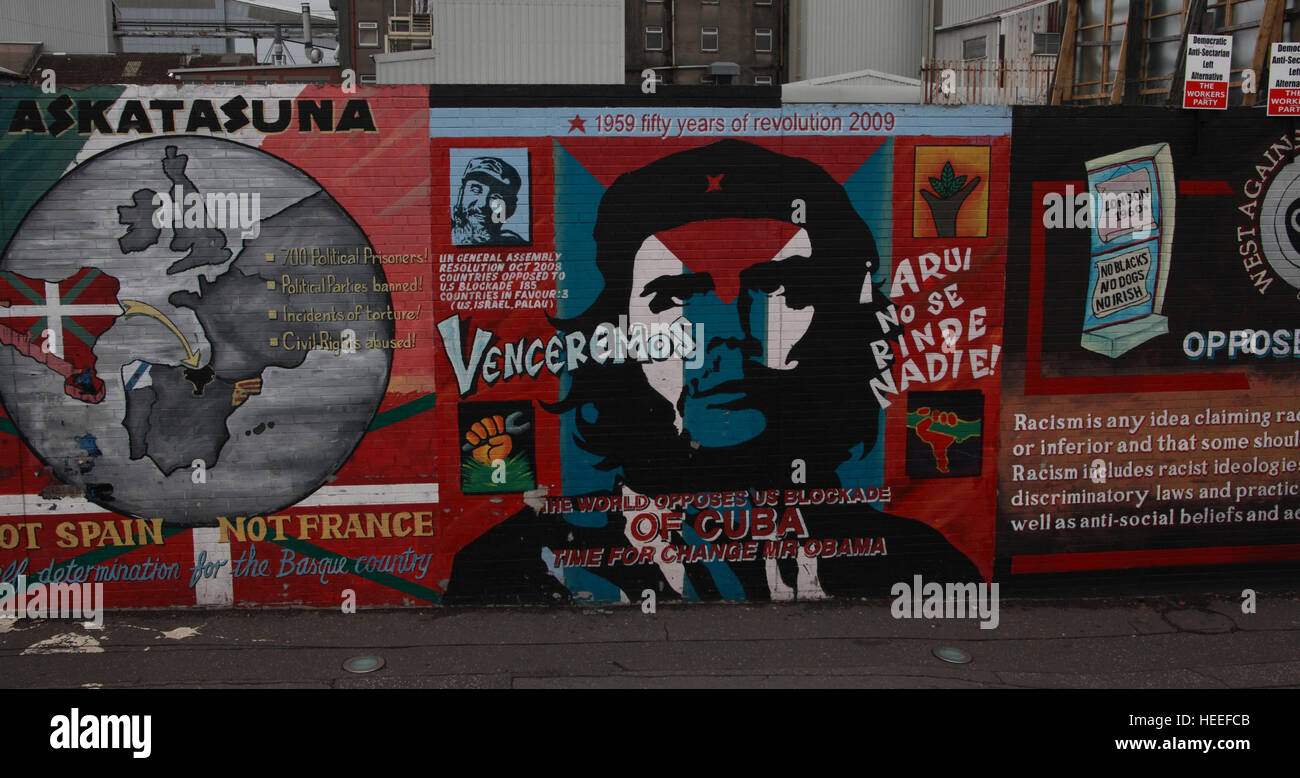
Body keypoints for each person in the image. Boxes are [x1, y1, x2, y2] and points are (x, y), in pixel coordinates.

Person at [443, 140, 979, 605]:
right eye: (676, 295)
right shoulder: (522, 564)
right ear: (613, 329)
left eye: (775, 289)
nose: (726, 334)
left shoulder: (921, 567)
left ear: (843, 318)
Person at [451, 156, 527, 246]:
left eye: (496, 197)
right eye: (476, 190)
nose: (482, 204)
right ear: (461, 194)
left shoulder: (513, 245)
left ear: (510, 209)